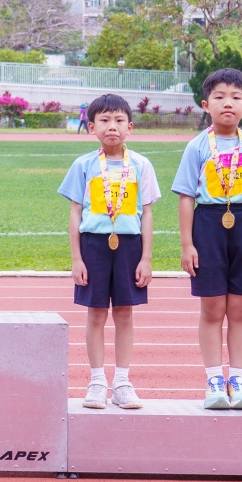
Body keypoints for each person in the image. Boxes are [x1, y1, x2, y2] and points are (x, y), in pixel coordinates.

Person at [173, 68, 242, 409]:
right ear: (206, 105)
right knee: (213, 307)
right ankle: (214, 380)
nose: (227, 103)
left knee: (241, 308)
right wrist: (187, 244)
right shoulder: (197, 147)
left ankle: (239, 379)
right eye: (219, 97)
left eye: (235, 97)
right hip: (208, 225)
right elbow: (186, 197)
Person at [60, 93, 159, 409]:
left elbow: (147, 214)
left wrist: (146, 258)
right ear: (91, 127)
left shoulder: (141, 165)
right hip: (94, 245)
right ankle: (96, 382)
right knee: (96, 313)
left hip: (129, 246)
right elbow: (75, 212)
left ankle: (122, 382)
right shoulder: (84, 165)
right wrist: (77, 258)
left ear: (130, 127)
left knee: (125, 313)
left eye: (119, 120)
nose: (112, 126)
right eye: (104, 120)